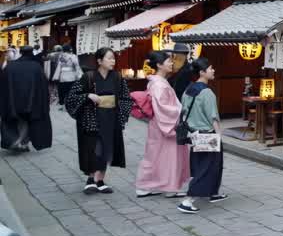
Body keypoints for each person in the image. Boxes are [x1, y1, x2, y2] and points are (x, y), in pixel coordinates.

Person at [66, 48, 133, 194]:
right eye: (109, 58)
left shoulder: (117, 77)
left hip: (111, 118)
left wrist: (120, 114)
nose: (113, 61)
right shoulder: (88, 77)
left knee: (106, 149)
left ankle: (100, 180)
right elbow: (71, 97)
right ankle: (91, 180)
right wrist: (88, 96)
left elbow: (126, 98)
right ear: (99, 61)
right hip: (92, 118)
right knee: (92, 149)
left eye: (114, 58)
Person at [134, 51, 191, 199]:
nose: (172, 63)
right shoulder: (159, 84)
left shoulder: (158, 82)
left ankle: (147, 185)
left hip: (158, 124)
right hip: (164, 124)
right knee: (169, 157)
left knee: (156, 155)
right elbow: (164, 107)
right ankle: (169, 187)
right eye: (168, 61)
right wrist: (181, 110)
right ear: (159, 65)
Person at [177, 58, 226, 214]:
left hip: (194, 133)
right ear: (202, 72)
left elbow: (183, 113)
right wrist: (219, 135)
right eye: (210, 68)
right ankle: (188, 200)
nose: (213, 71)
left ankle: (212, 192)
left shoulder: (188, 90)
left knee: (202, 165)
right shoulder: (207, 93)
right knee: (207, 167)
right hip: (208, 134)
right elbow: (213, 117)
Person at [3, 47, 54, 155]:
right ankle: (20, 142)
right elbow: (43, 85)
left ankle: (21, 142)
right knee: (28, 120)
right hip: (31, 100)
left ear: (20, 52)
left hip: (13, 99)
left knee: (19, 121)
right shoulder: (36, 66)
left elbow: (3, 84)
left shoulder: (11, 66)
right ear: (31, 53)